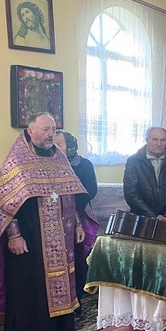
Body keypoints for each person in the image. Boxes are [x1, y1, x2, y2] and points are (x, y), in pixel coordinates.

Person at [0, 112, 98, 331]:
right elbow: (4, 203)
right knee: (30, 288)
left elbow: (72, 196)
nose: (50, 135)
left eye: (53, 130)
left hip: (62, 239)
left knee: (62, 282)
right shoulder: (17, 161)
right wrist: (14, 235)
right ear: (30, 130)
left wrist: (78, 224)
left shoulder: (59, 159)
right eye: (45, 130)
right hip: (29, 240)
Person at [54, 130, 98, 306]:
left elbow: (90, 190)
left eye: (59, 145)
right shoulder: (47, 165)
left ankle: (76, 297)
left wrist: (71, 203)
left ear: (70, 147)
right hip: (53, 218)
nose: (54, 148)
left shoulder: (83, 165)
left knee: (77, 257)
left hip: (79, 216)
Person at [123, 127, 166, 223]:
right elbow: (131, 194)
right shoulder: (133, 161)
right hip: (141, 220)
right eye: (155, 139)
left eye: (163, 140)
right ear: (147, 140)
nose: (159, 144)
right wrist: (153, 216)